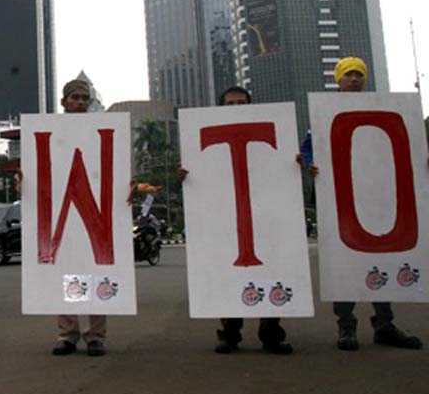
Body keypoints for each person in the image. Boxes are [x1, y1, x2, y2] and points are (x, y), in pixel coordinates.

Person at [298, 57, 423, 351]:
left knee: (380, 258)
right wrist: (311, 163)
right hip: (339, 198)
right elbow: (306, 148)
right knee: (344, 262)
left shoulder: (383, 108)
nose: (354, 79)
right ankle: (346, 325)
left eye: (359, 74)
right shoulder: (324, 113)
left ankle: (385, 324)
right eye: (348, 74)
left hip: (378, 197)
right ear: (338, 79)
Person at [176, 85, 293, 355]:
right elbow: (202, 176)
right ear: (221, 108)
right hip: (225, 217)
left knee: (269, 272)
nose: (236, 108)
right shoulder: (208, 139)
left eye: (241, 103)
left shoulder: (273, 133)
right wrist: (187, 176)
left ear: (250, 105)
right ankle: (229, 334)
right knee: (229, 274)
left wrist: (292, 165)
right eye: (230, 104)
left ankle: (271, 334)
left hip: (264, 215)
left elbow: (282, 173)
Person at [51, 79, 108, 357]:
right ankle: (67, 334)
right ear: (64, 102)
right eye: (76, 97)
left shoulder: (100, 131)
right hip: (63, 208)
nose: (81, 102)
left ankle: (95, 335)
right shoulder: (49, 131)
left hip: (92, 205)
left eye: (85, 98)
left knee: (94, 271)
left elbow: (112, 165)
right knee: (67, 273)